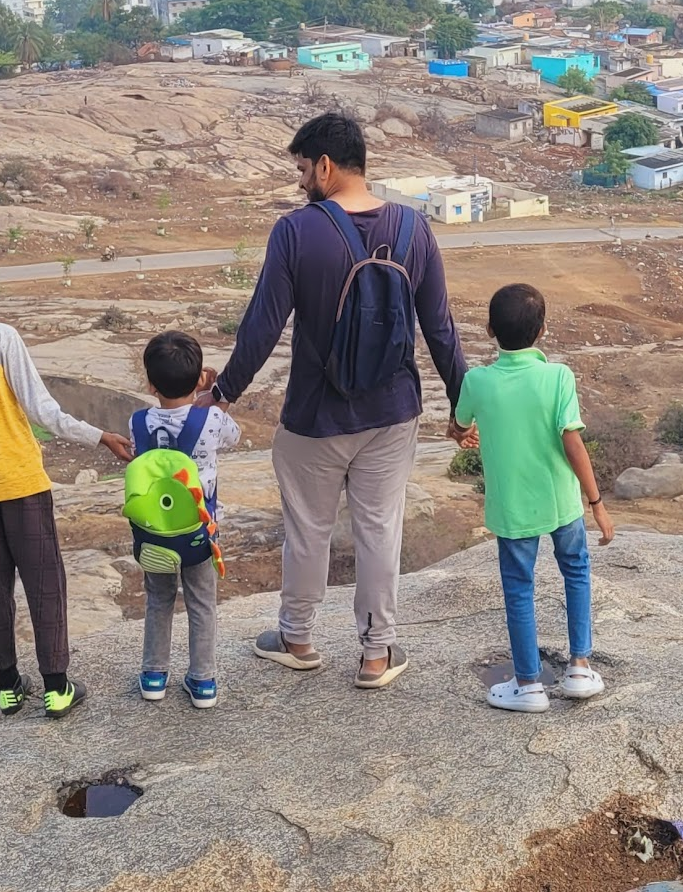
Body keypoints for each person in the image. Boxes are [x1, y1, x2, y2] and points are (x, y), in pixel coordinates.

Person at [202, 112, 467, 689]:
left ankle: (296, 638)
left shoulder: (296, 232)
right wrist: (461, 408)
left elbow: (262, 326)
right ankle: (376, 655)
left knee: (307, 530)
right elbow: (440, 327)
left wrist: (221, 394)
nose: (300, 182)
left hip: (314, 419)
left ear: (324, 165)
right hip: (392, 414)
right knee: (379, 531)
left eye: (302, 169)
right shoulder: (413, 229)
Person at [0, 244, 132, 719]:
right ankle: (57, 687)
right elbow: (42, 411)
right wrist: (100, 437)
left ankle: (8, 686)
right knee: (44, 582)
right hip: (22, 479)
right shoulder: (1, 338)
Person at [450, 283, 615, 714]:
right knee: (575, 572)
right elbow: (572, 441)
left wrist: (461, 433)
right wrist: (596, 502)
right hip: (562, 502)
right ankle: (579, 666)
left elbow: (460, 424)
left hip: (512, 508)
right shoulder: (558, 377)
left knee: (518, 589)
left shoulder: (477, 381)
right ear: (542, 331)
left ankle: (528, 685)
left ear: (488, 329)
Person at [129, 331, 240, 709]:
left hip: (155, 535)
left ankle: (154, 675)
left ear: (149, 383)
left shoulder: (138, 421)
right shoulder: (210, 419)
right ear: (198, 380)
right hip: (199, 534)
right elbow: (234, 437)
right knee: (202, 602)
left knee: (158, 599)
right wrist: (211, 394)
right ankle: (202, 680)